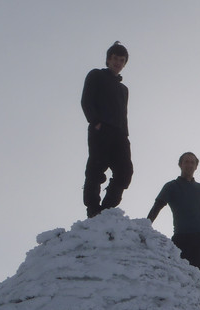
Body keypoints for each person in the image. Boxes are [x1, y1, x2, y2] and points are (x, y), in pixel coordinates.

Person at [147, 152, 200, 283]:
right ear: (180, 165)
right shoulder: (171, 186)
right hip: (182, 238)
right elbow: (157, 206)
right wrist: (146, 226)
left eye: (192, 162)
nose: (189, 165)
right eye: (186, 162)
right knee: (182, 278)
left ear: (196, 166)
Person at [81, 41, 134, 218]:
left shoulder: (123, 89)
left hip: (120, 133)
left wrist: (125, 134)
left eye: (122, 60)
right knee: (96, 168)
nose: (118, 63)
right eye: (115, 59)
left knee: (125, 170)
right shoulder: (96, 75)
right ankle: (93, 209)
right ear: (108, 60)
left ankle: (108, 209)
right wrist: (95, 122)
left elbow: (123, 113)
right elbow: (86, 100)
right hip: (101, 129)